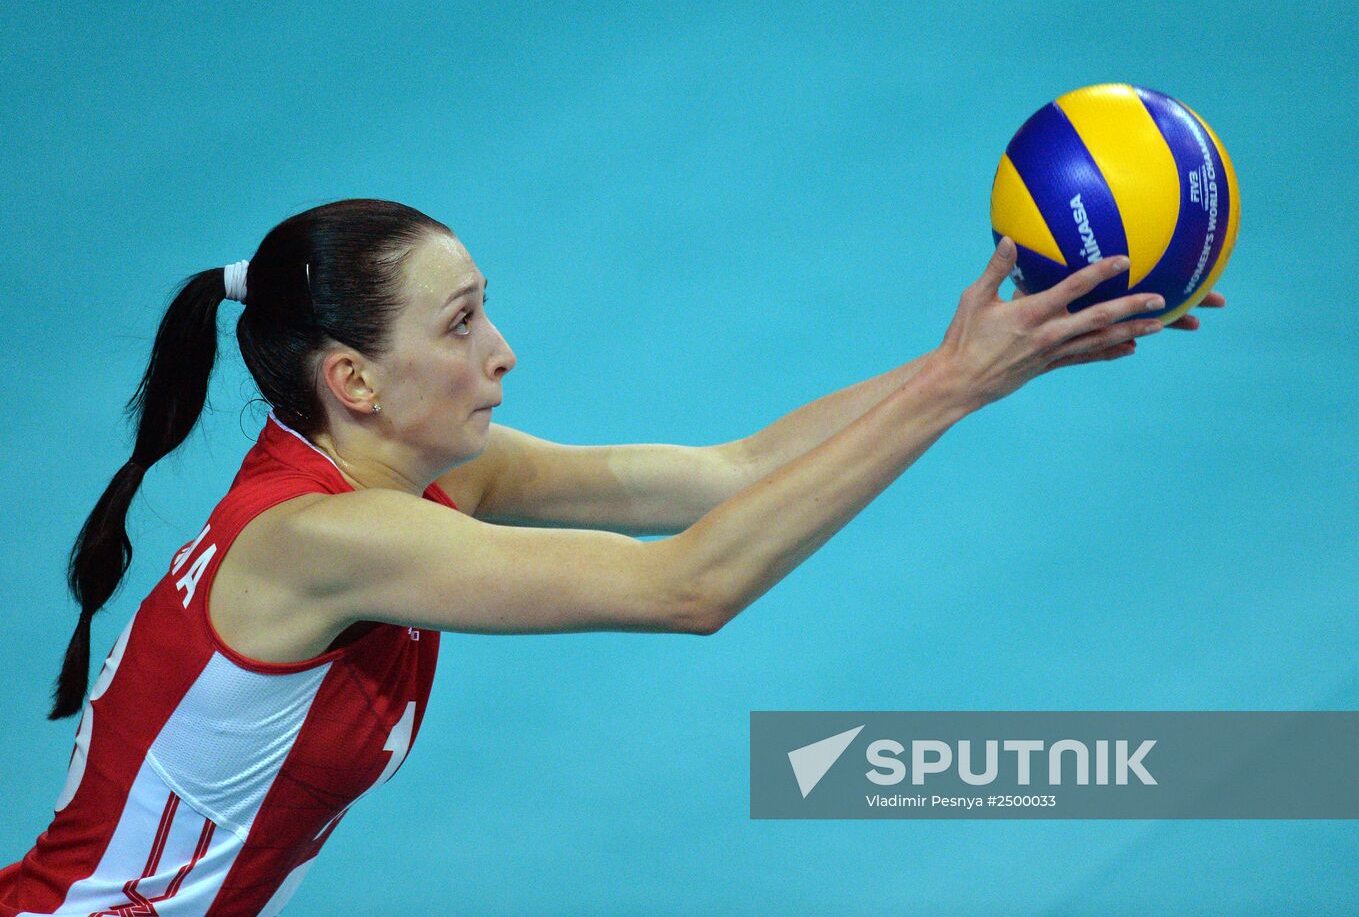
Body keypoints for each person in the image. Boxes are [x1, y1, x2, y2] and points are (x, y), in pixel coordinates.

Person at [0, 198, 1223, 914]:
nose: (503, 351)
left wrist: (997, 355)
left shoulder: (409, 478)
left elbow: (729, 475)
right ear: (353, 379)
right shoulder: (323, 538)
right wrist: (955, 390)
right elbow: (686, 584)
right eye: (461, 322)